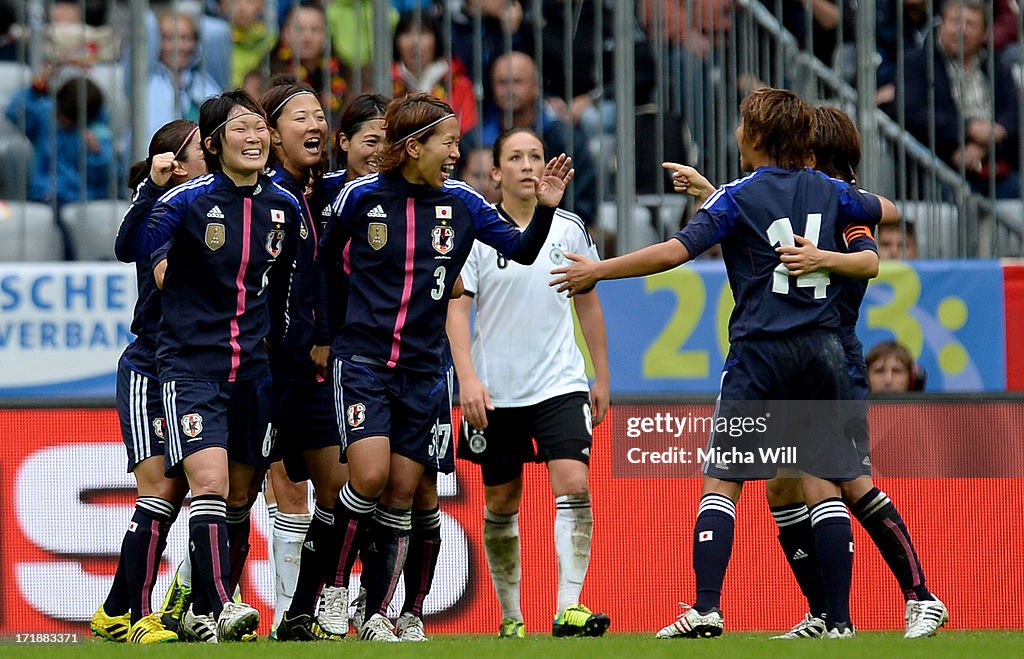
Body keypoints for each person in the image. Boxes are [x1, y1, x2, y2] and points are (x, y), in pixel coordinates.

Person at [552, 88, 882, 639]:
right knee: (822, 482)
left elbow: (673, 252)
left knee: (722, 481)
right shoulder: (829, 189)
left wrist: (598, 270)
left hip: (760, 352)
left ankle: (706, 606)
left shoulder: (736, 196)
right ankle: (841, 621)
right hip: (824, 350)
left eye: (741, 124)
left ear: (753, 138)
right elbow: (880, 214)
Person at [315, 92, 573, 642]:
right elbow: (323, 269)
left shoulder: (463, 203)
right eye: (449, 142)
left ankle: (381, 613)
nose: (459, 152)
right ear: (414, 147)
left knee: (405, 488)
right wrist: (324, 336)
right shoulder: (359, 197)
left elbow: (522, 250)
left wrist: (547, 207)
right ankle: (334, 593)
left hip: (424, 367)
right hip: (363, 361)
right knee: (369, 475)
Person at [118, 89, 303, 643]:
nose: (253, 137)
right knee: (208, 485)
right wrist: (152, 188)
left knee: (241, 495)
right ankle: (219, 604)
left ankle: (200, 608)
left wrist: (284, 345)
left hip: (253, 371)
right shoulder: (186, 200)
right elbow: (130, 246)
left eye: (258, 127)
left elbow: (293, 281)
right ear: (216, 142)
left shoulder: (284, 204)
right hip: (189, 368)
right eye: (239, 128)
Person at [446, 127, 611, 639]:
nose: (526, 165)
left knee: (575, 485)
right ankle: (512, 617)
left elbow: (587, 300)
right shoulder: (475, 229)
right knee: (501, 502)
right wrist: (467, 378)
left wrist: (600, 374)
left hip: (559, 382)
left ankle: (568, 607)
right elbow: (457, 307)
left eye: (535, 156)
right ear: (494, 171)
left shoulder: (569, 229)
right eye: (513, 157)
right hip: (495, 391)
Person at [90, 119, 206, 645]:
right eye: (205, 147)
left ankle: (117, 609)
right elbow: (126, 245)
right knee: (160, 490)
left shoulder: (229, 204)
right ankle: (138, 618)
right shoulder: (163, 208)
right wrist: (150, 188)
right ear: (177, 162)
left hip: (201, 368)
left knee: (191, 489)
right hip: (151, 367)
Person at [252, 78, 342, 641]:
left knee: (339, 489)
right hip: (267, 368)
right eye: (299, 118)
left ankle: (300, 610)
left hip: (309, 368)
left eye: (318, 116)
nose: (315, 125)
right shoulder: (264, 199)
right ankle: (193, 605)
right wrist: (287, 340)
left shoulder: (315, 194)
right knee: (238, 493)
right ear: (272, 135)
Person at [900, 0, 1020, 198]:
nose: (962, 30)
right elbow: (912, 113)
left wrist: (984, 145)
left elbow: (1014, 112)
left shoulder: (996, 65)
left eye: (971, 24)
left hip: (997, 168)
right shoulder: (918, 63)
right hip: (941, 168)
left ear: (984, 33)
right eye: (956, 21)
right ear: (941, 25)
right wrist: (968, 129)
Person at [483, 51, 597, 230]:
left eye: (517, 82)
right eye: (502, 83)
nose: (509, 90)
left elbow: (584, 204)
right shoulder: (475, 139)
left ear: (536, 87)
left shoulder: (566, 140)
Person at [391, 12, 478, 137]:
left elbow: (467, 132)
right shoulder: (386, 82)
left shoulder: (459, 84)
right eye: (406, 33)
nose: (414, 43)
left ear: (436, 39)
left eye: (423, 33)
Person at [144, 11, 224, 140]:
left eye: (186, 38)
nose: (179, 46)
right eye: (169, 38)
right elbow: (146, 23)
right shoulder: (144, 78)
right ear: (156, 41)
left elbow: (216, 31)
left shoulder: (206, 77)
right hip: (158, 157)